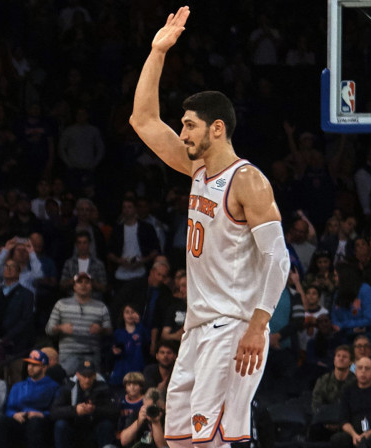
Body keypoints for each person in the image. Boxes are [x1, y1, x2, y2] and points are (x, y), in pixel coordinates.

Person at [129, 7, 290, 445]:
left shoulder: (248, 181)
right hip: (198, 327)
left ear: (216, 129)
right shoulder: (197, 169)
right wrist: (157, 51)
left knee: (213, 441)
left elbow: (278, 258)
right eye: (182, 125)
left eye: (189, 126)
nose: (181, 134)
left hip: (234, 325)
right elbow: (142, 121)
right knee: (179, 438)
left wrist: (258, 325)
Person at [0, 350, 60, 448]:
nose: (30, 367)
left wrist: (41, 414)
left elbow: (56, 410)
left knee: (34, 422)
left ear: (44, 367)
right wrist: (14, 414)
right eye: (29, 364)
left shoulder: (53, 386)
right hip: (19, 419)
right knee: (0, 421)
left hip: (40, 421)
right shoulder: (18, 386)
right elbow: (8, 408)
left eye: (34, 365)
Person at [46, 271, 112, 374]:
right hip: (68, 355)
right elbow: (49, 330)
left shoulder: (101, 306)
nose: (83, 285)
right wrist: (60, 328)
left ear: (91, 286)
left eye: (87, 282)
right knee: (67, 386)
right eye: (79, 282)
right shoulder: (61, 304)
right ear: (74, 286)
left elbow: (109, 330)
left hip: (92, 355)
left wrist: (101, 329)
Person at [50, 357, 119, 448]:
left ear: (95, 375)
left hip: (94, 428)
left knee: (106, 425)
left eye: (90, 376)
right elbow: (54, 412)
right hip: (74, 428)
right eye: (84, 376)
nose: (87, 380)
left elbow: (114, 411)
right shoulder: (68, 388)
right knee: (61, 425)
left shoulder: (104, 388)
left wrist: (95, 409)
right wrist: (75, 410)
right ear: (78, 375)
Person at [59, 231, 108, 300]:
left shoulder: (98, 264)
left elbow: (104, 287)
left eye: (85, 242)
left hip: (93, 300)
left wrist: (89, 281)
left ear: (89, 244)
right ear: (76, 244)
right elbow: (62, 285)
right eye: (79, 243)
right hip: (73, 301)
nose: (82, 246)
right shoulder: (69, 263)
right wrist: (74, 280)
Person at [110, 302, 149, 387]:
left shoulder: (141, 329)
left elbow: (147, 342)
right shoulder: (118, 332)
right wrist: (115, 351)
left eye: (133, 312)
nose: (130, 315)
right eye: (127, 312)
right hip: (122, 368)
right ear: (123, 315)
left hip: (137, 366)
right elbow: (113, 350)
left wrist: (139, 323)